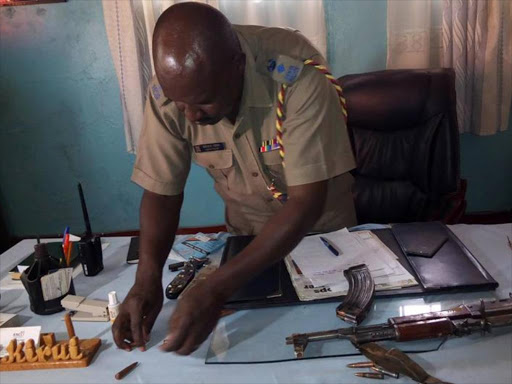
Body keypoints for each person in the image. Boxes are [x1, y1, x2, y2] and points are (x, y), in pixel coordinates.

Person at [112, 2, 357, 356]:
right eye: (182, 106)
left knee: (327, 347)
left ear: (238, 66)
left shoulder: (296, 73)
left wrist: (214, 288)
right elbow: (162, 193)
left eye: (205, 103)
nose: (192, 116)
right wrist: (146, 280)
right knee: (250, 352)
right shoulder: (174, 88)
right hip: (246, 243)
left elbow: (306, 203)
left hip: (321, 238)